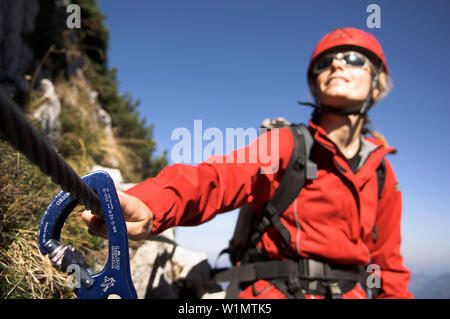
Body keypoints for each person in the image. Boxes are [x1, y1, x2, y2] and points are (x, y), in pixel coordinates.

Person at [82, 27, 413, 299]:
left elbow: (389, 267)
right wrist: (152, 203)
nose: (338, 65)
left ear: (377, 82)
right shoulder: (288, 144)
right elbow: (219, 179)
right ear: (315, 84)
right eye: (325, 63)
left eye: (353, 59)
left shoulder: (382, 172)